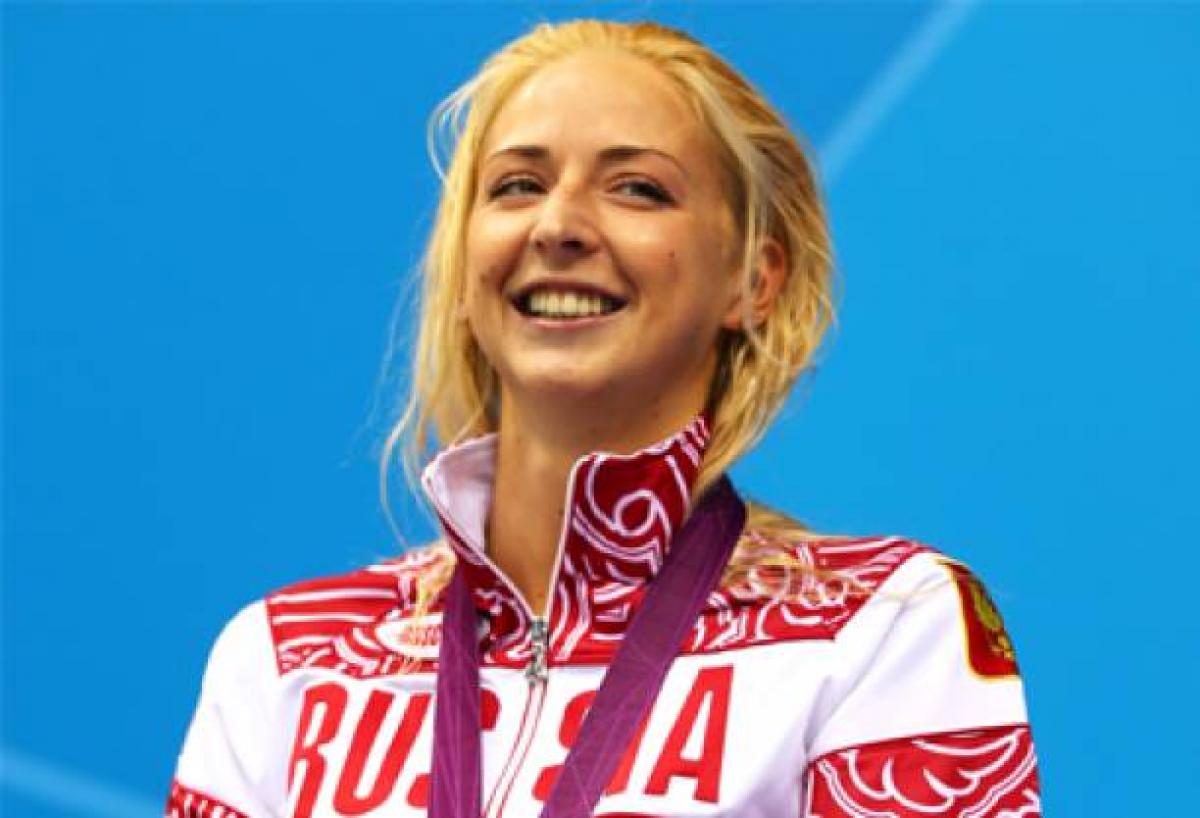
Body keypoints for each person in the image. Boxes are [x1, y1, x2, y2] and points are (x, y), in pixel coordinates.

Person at [166, 19, 1040, 818]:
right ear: (466, 271)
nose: (559, 225)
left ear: (752, 280)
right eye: (516, 185)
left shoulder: (880, 629)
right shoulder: (285, 662)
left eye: (636, 189)